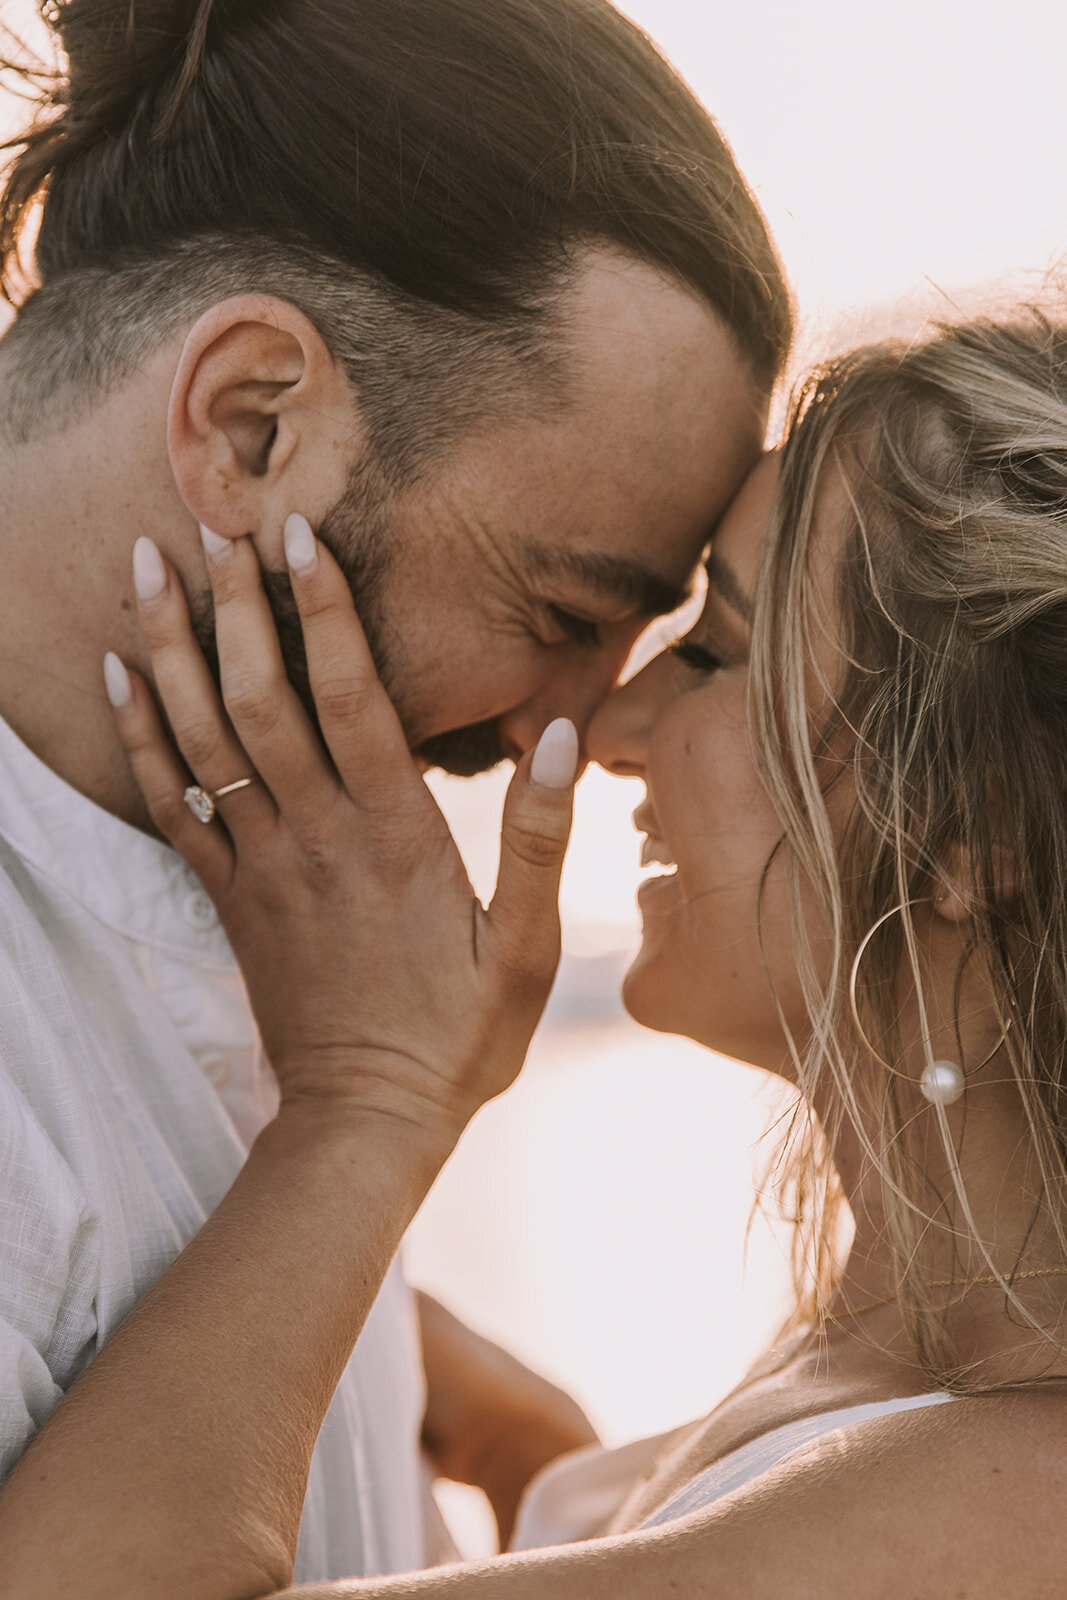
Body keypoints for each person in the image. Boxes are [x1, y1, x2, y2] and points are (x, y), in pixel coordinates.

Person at [11, 303, 1066, 1599]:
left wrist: (370, 1102)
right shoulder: (907, 1363)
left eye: (718, 651)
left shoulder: (1023, 1509)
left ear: (972, 831)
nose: (615, 718)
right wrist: (542, 1470)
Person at [0, 0, 791, 1581]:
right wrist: (364, 1117)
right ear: (249, 425)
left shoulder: (249, 848)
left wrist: (401, 1355)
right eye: (567, 616)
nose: (599, 717)